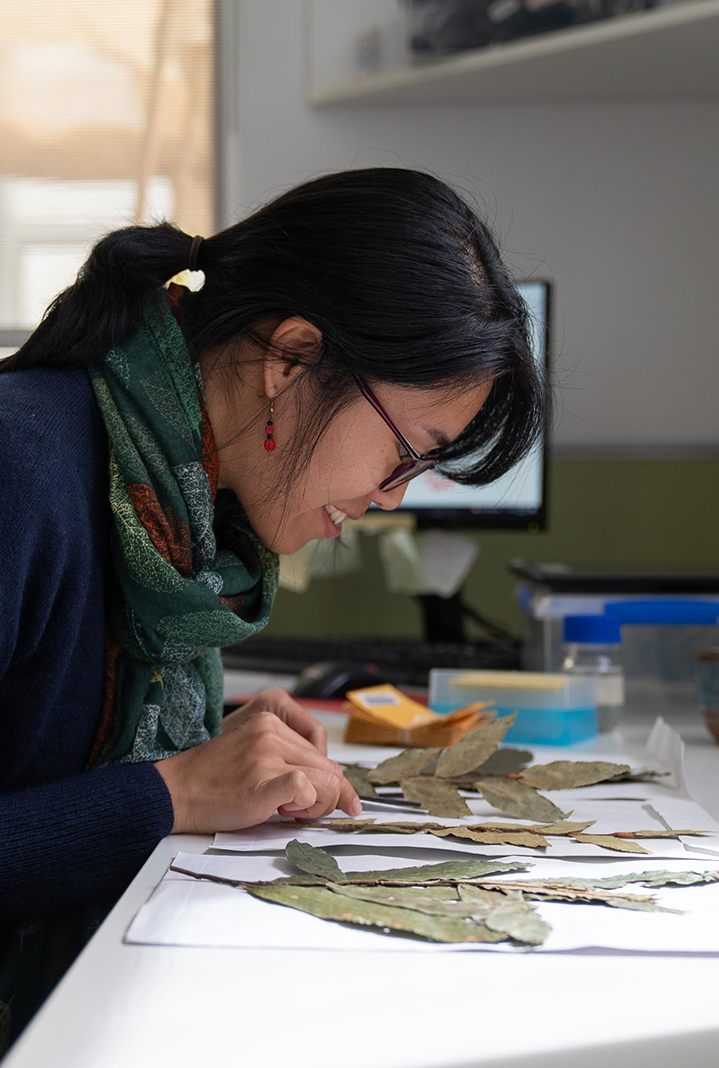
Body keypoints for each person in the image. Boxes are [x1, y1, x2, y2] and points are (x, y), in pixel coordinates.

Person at [0, 167, 547, 1052]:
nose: (389, 498)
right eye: (407, 453)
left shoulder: (182, 513)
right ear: (289, 357)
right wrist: (168, 792)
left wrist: (207, 735)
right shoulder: (20, 470)